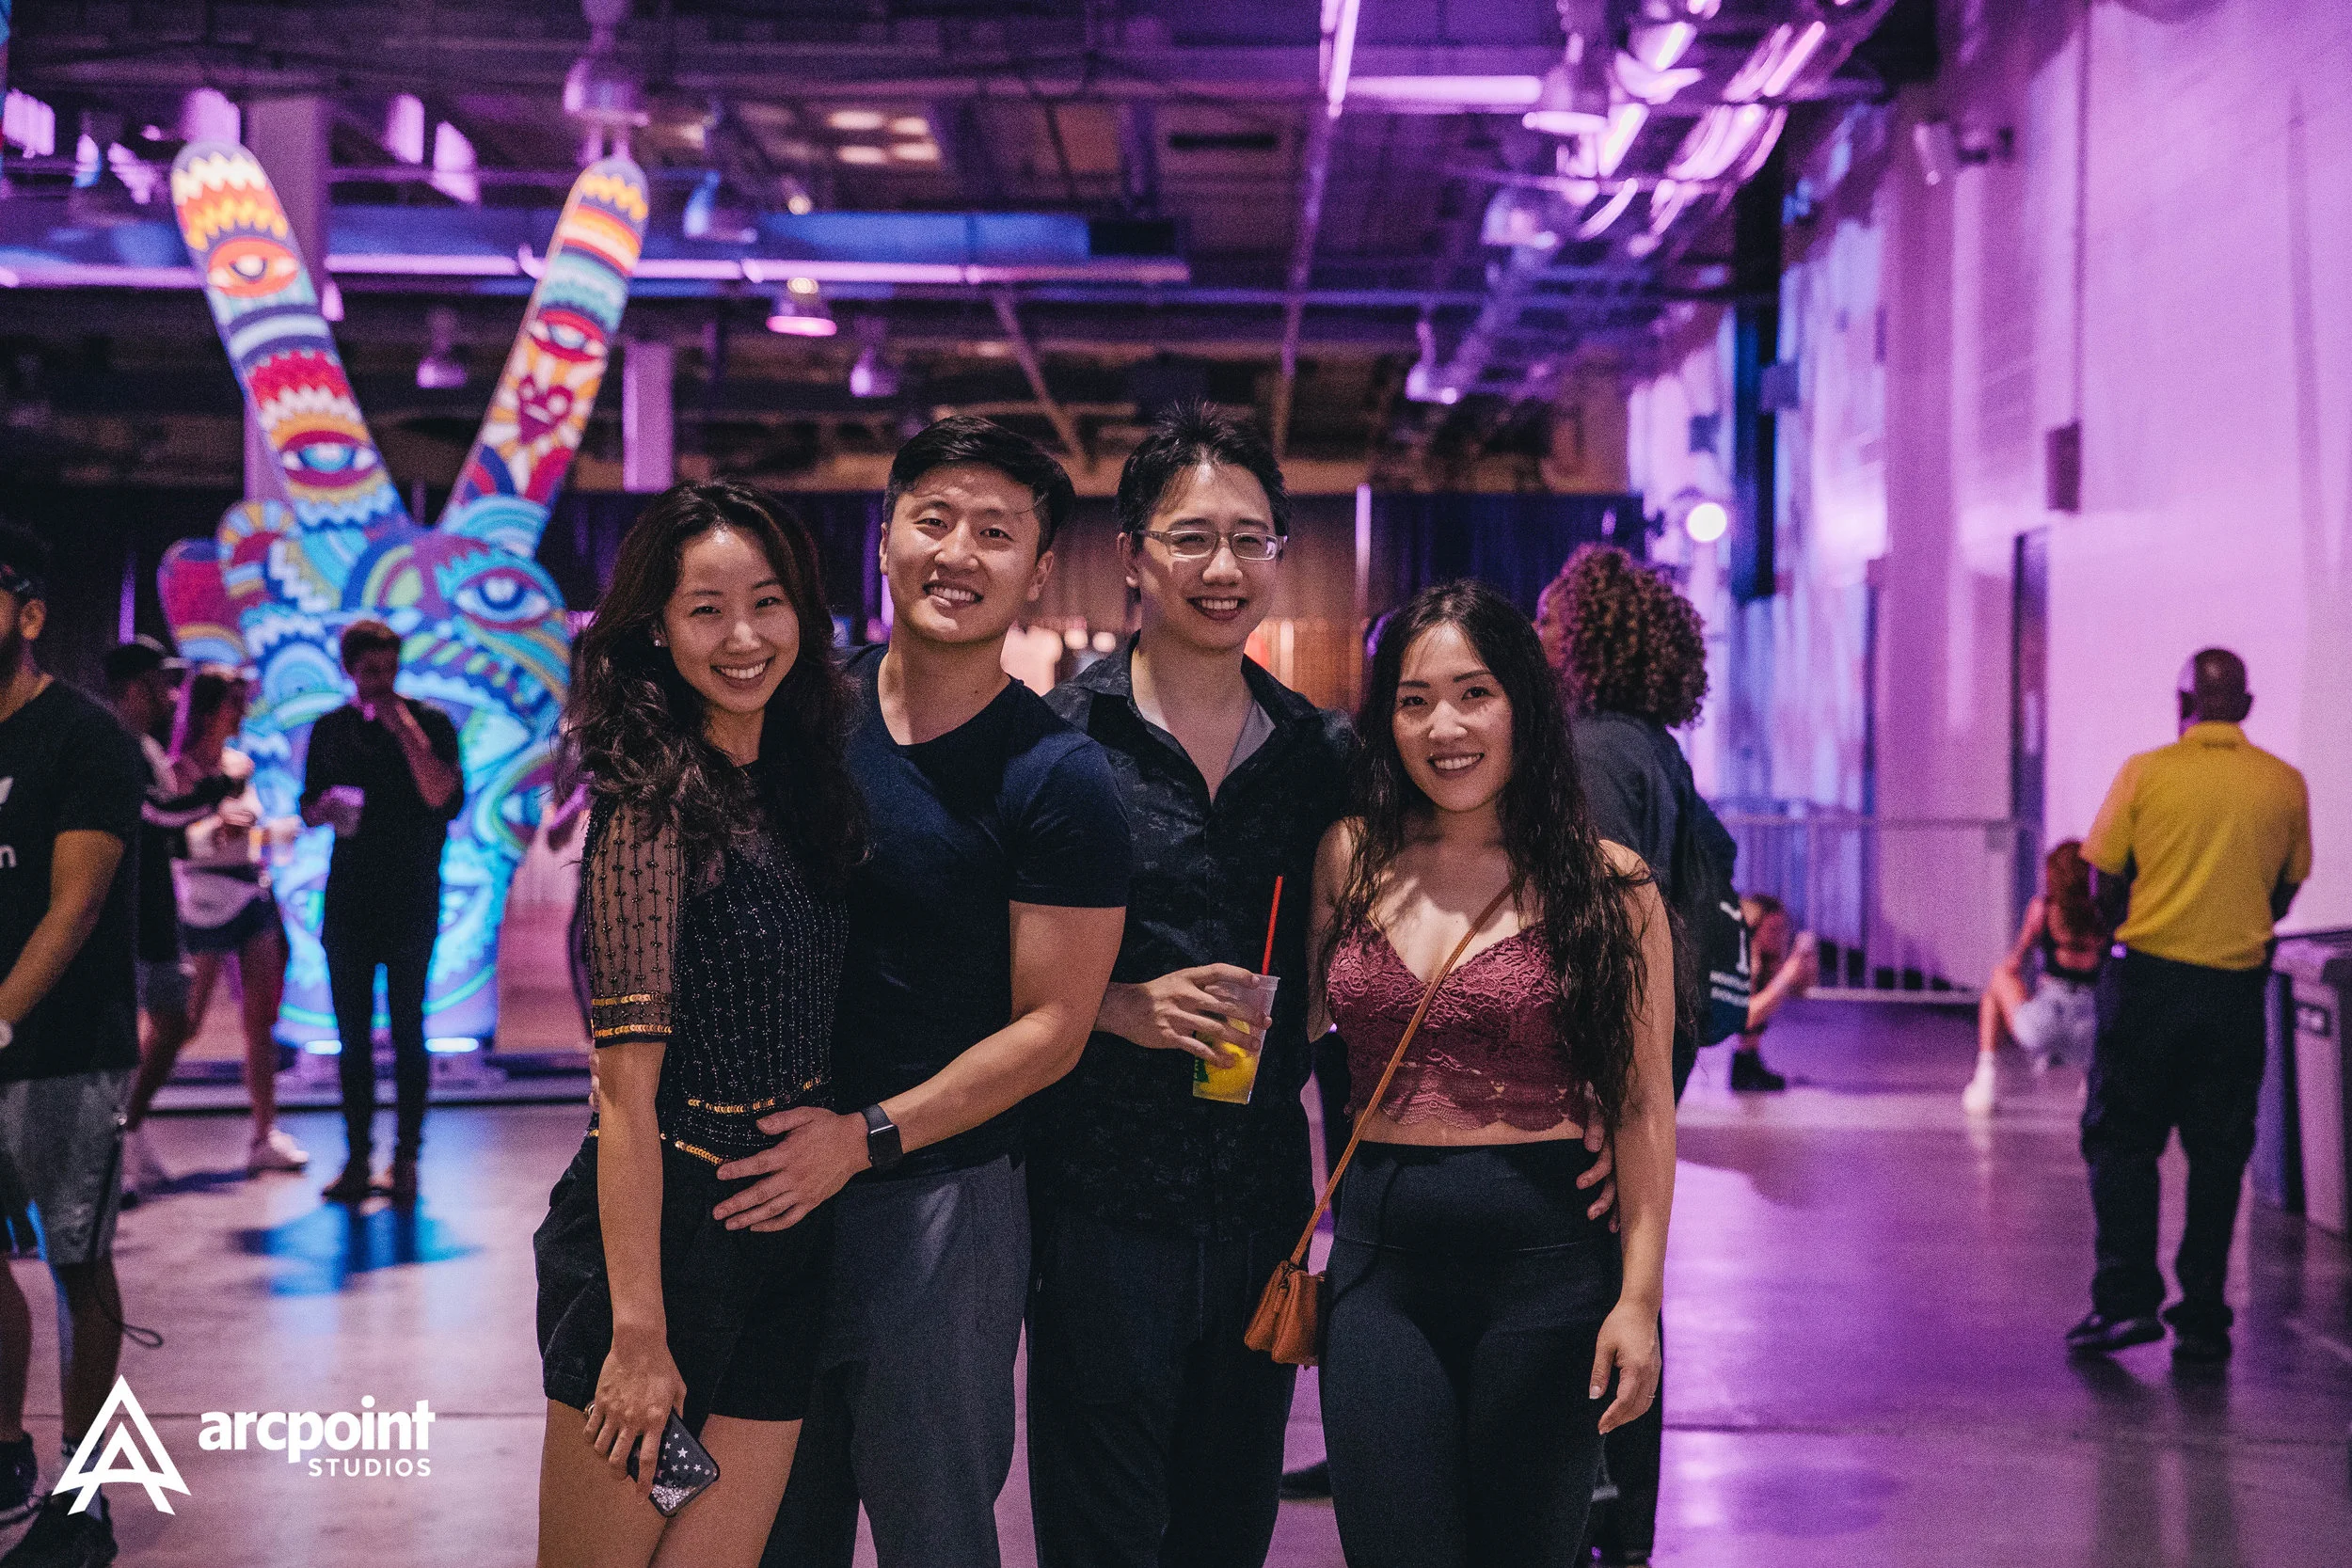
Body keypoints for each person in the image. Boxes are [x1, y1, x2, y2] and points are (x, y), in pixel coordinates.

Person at [747, 418, 1129, 1568]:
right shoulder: (792, 720)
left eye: (996, 532)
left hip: (939, 1204)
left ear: (1039, 569)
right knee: (763, 1525)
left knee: (936, 1530)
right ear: (884, 537)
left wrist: (862, 1138)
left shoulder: (1057, 776)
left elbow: (1053, 1025)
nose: (959, 551)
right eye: (934, 518)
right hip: (760, 1191)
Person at [1025, 406, 1356, 1568]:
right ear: (1130, 555)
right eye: (1191, 537)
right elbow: (969, 949)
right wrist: (1116, 1005)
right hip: (1098, 1196)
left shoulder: (1323, 753)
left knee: (1228, 1524)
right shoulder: (1061, 741)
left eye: (1251, 539)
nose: (1223, 567)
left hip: (1263, 1195)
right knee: (1102, 1527)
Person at [1309, 579, 1677, 1568]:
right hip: (1378, 1266)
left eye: (1473, 693)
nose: (1445, 726)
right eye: (1414, 699)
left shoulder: (1611, 882)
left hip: (1548, 1266)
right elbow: (1292, 1029)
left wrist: (1636, 1300)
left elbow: (1643, 1102)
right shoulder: (1348, 856)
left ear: (1522, 700)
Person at [533, 482, 863, 1568]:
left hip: (783, 1239)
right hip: (663, 1252)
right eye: (706, 609)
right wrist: (639, 1332)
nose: (743, 636)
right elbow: (621, 1095)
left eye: (767, 603)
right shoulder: (649, 807)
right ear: (656, 629)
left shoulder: (801, 788)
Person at [1535, 543, 1722, 1566]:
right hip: (1653, 1038)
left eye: (1554, 616)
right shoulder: (1647, 743)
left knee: (1603, 1281)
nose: (1541, 631)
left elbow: (1596, 928)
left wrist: (1600, 1091)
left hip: (1611, 1057)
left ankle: (1603, 1508)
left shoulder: (1599, 750)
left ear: (1589, 634)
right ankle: (1613, 1512)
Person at [2068, 648, 2311, 1364]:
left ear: (2183, 705)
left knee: (2123, 1141)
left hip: (2148, 984)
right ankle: (2203, 1311)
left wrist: (2128, 928)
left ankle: (2125, 1303)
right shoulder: (2284, 783)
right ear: (2250, 704)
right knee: (2219, 1150)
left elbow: (2100, 874)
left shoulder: (2147, 771)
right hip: (2235, 991)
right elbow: (2288, 886)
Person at [0, 526, 148, 1566]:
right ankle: (5, 1446)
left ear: (29, 612)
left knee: (75, 1261)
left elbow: (77, 904)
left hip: (66, 1049)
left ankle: (85, 1496)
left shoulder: (85, 737)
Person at [299, 619, 464, 1205]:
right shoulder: (332, 730)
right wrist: (328, 807)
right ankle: (357, 1158)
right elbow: (308, 806)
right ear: (350, 670)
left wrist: (405, 729)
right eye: (369, 671)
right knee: (351, 1036)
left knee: (409, 1029)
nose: (380, 681)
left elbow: (442, 795)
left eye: (388, 668)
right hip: (349, 900)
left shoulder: (434, 725)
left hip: (412, 896)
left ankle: (407, 1159)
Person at [167, 667, 309, 1173]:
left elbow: (249, 838)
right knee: (180, 1024)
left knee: (261, 1022)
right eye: (233, 702)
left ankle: (264, 1133)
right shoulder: (177, 769)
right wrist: (215, 834)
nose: (242, 711)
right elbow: (181, 842)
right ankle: (128, 1127)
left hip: (252, 896)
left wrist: (279, 832)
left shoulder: (239, 764)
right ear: (206, 709)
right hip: (203, 904)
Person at [103, 635, 202, 1198]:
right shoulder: (113, 744)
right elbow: (156, 816)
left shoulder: (144, 747)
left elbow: (168, 832)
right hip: (127, 915)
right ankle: (110, 1151)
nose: (171, 696)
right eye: (163, 684)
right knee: (122, 1039)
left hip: (155, 909)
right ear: (135, 688)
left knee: (171, 1021)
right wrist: (214, 793)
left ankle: (126, 1132)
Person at [1963, 841, 2106, 1117]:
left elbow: (2015, 962)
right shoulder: (2101, 914)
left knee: (1998, 978)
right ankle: (2094, 1080)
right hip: (2092, 1031)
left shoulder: (2042, 910)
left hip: (2046, 1020)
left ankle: (1986, 1079)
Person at [1730, 894, 1816, 1093]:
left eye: (1782, 929)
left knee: (1766, 992)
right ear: (1754, 928)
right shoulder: (1747, 954)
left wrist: (1805, 963)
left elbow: (1798, 991)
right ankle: (1745, 1062)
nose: (1779, 937)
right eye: (1772, 930)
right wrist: (1787, 975)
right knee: (1761, 995)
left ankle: (1747, 1057)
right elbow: (1746, 1017)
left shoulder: (1767, 954)